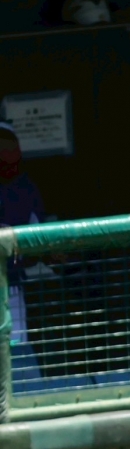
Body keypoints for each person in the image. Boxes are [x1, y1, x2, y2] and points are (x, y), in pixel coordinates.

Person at [0, 121, 45, 346]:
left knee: (14, 353)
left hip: (11, 287)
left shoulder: (25, 189)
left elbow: (37, 248)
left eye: (8, 146)